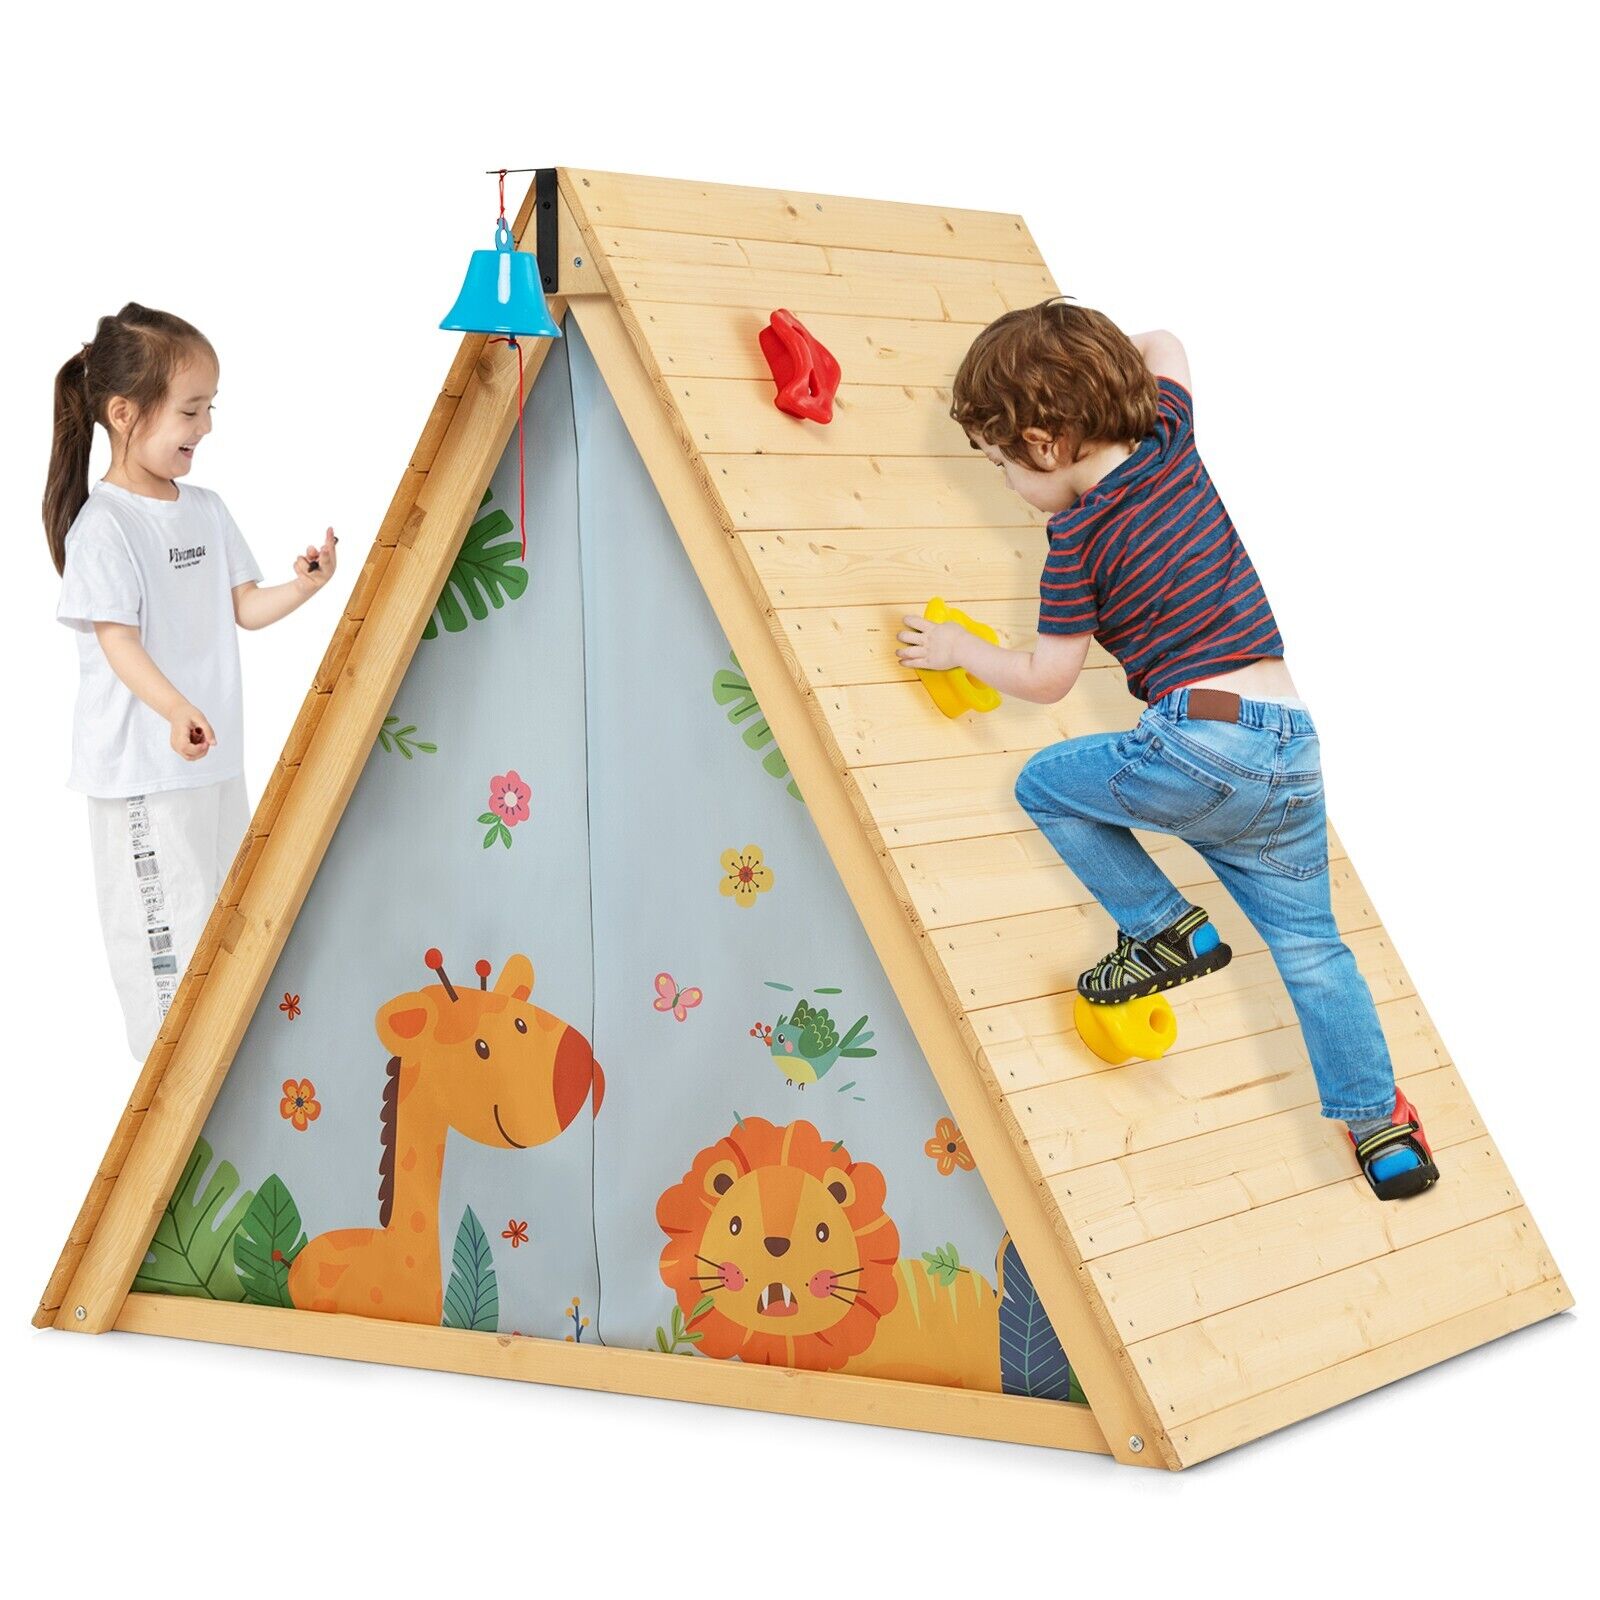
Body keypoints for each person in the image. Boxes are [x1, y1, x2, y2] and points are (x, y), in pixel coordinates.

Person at [896, 298, 1437, 1200]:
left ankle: (1162, 929)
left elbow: (1045, 678)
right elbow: (1164, 342)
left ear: (1044, 443)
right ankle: (1382, 1132)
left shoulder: (1074, 541)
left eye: (1002, 465)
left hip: (1199, 742)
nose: (1008, 485)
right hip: (1292, 749)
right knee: (1313, 950)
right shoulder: (1169, 438)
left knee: (1044, 785)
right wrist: (1093, 366)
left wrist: (960, 649)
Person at [45, 302, 337, 1059]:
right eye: (190, 410)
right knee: (166, 954)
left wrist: (303, 586)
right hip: (146, 773)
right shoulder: (105, 527)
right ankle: (171, 1102)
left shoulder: (205, 510)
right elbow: (118, 640)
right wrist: (175, 709)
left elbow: (245, 606)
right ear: (124, 414)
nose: (205, 427)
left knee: (223, 925)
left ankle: (220, 1086)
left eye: (211, 408)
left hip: (212, 766)